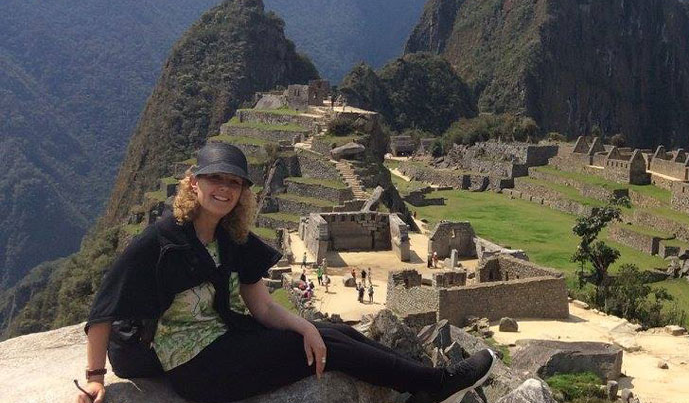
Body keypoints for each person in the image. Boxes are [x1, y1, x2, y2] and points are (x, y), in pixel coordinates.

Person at [74, 142, 496, 403]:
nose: (224, 189)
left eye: (234, 183)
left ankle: (420, 383)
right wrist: (95, 379)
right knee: (332, 350)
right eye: (214, 179)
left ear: (242, 192)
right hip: (196, 369)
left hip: (227, 337)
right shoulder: (160, 240)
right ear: (192, 183)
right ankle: (436, 382)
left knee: (336, 334)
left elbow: (260, 305)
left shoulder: (229, 236)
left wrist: (305, 327)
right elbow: (104, 310)